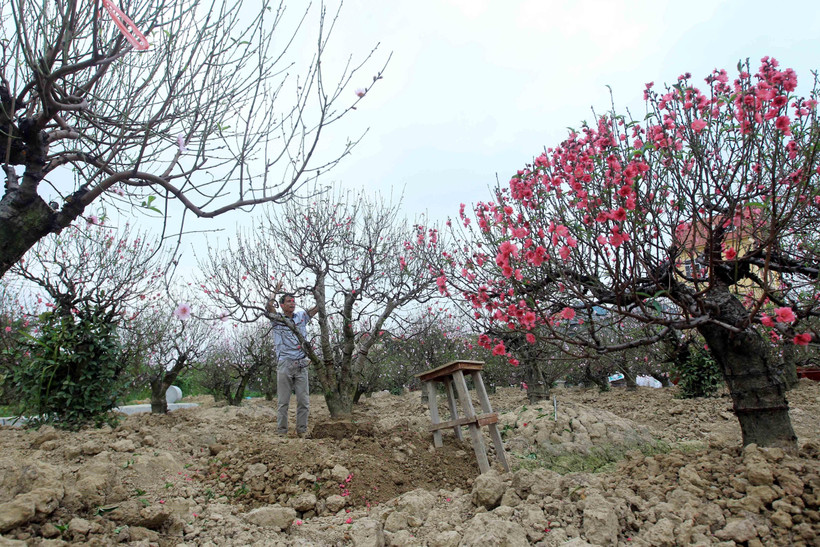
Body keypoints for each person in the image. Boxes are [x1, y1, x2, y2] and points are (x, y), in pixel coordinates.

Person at [266, 290, 317, 438]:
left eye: (293, 301)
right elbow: (269, 306)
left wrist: (319, 292)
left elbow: (315, 309)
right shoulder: (277, 319)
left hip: (301, 363)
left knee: (303, 400)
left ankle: (302, 430)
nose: (292, 303)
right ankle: (282, 431)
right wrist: (275, 290)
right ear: (281, 305)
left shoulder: (301, 317)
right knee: (283, 402)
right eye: (288, 301)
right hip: (285, 363)